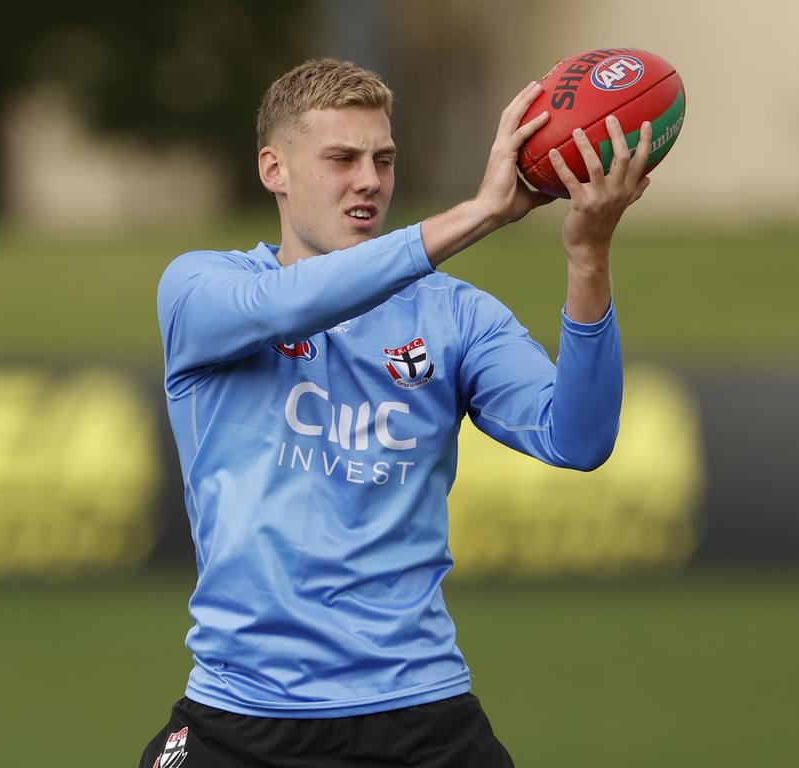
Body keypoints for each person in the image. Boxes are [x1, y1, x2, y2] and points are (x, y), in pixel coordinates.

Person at [140, 57, 652, 768]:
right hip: (242, 718)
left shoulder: (456, 314)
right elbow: (290, 303)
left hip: (419, 718)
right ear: (273, 170)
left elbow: (579, 437)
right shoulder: (202, 289)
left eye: (383, 159)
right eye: (341, 158)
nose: (370, 181)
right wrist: (482, 213)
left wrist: (589, 255)